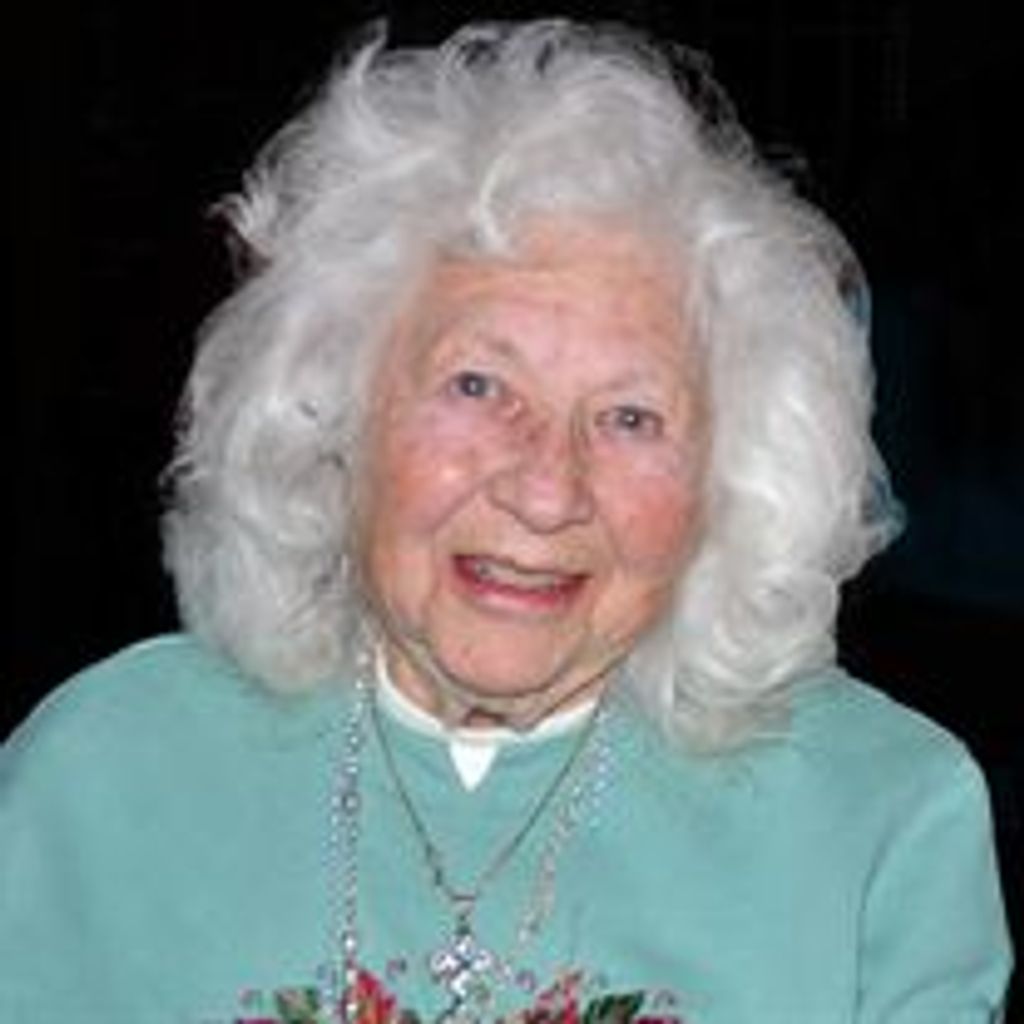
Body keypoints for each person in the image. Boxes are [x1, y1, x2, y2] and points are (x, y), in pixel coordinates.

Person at [0, 19, 1013, 1024]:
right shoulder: (101, 775)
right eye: (478, 385)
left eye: (630, 417)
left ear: (731, 473)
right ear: (333, 405)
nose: (546, 490)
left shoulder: (881, 823)